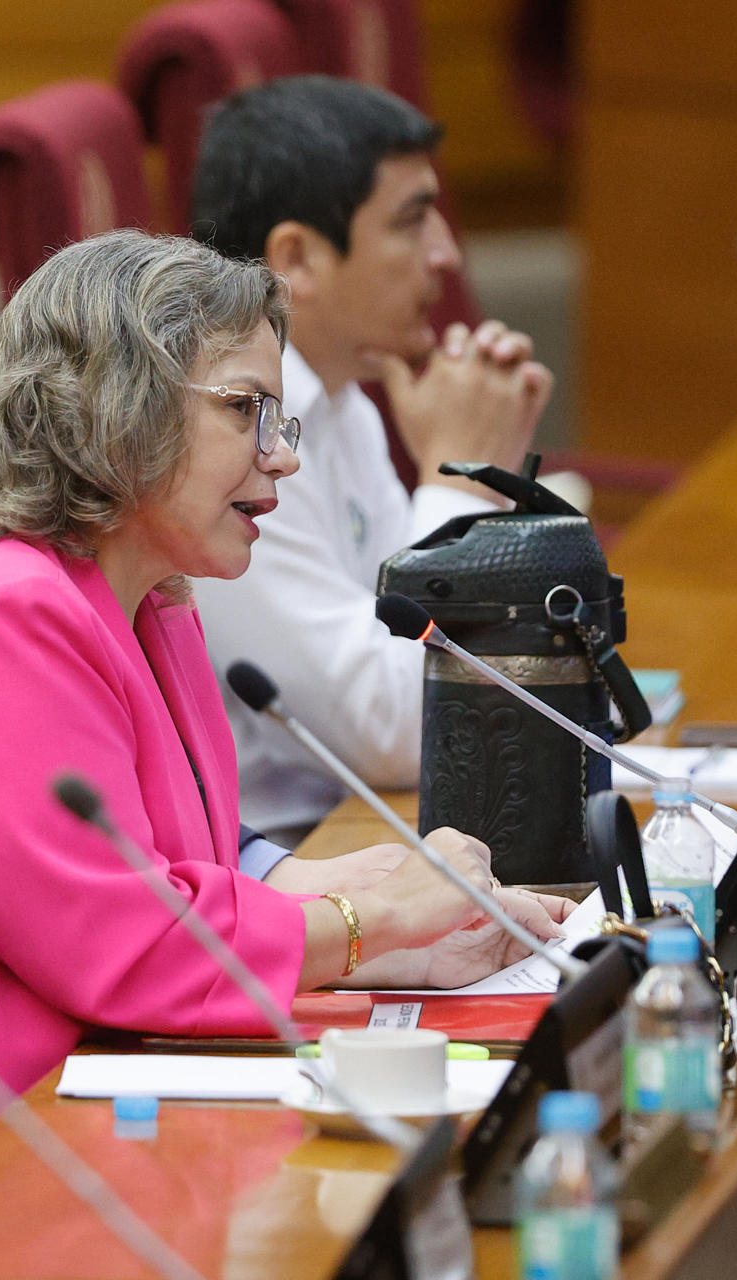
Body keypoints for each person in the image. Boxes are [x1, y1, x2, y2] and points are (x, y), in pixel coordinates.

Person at [0, 231, 572, 1270]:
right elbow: (122, 941)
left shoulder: (145, 597)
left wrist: (392, 945)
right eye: (248, 409)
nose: (283, 453)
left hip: (69, 1132)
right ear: (117, 405)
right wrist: (371, 916)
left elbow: (169, 878)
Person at [187, 75, 555, 844]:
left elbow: (450, 659)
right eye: (413, 222)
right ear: (299, 257)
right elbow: (401, 727)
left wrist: (481, 472)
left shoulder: (342, 400)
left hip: (365, 826)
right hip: (283, 855)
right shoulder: (222, 436)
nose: (447, 255)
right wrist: (462, 478)